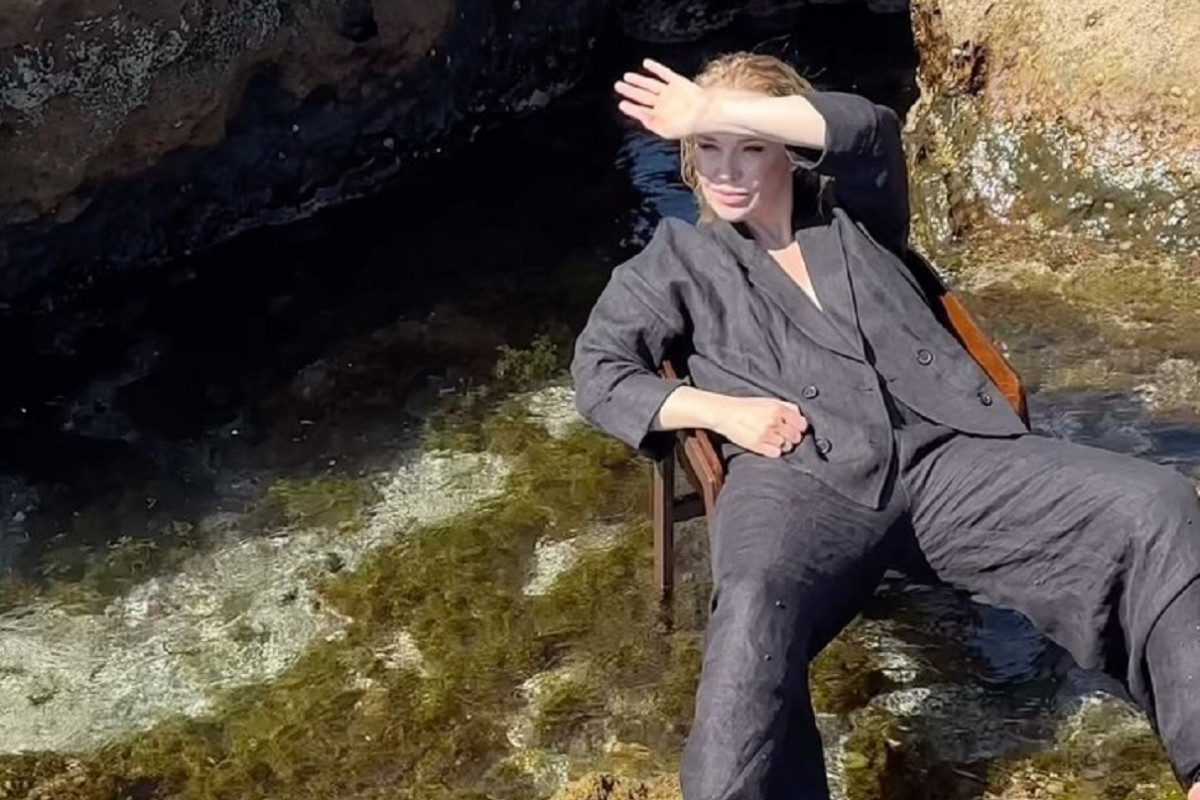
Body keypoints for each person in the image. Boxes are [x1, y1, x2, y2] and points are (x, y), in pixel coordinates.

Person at [570, 52, 1200, 800]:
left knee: (1154, 504)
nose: (726, 171)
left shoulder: (856, 211)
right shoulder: (676, 259)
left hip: (945, 456)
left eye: (750, 145)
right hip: (797, 478)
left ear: (789, 147)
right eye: (707, 148)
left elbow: (868, 127)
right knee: (750, 609)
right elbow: (599, 371)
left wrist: (713, 109)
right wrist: (719, 410)